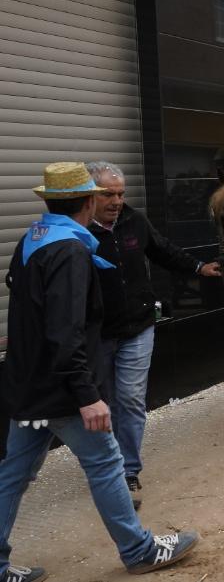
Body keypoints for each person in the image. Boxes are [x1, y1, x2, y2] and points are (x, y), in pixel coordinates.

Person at [0, 163, 199, 582]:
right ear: (89, 201)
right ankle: (140, 550)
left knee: (13, 475)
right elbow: (64, 330)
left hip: (28, 385)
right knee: (107, 463)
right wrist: (88, 395)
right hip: (62, 390)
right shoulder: (70, 251)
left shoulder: (33, 239)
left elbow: (27, 306)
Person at [85, 162, 220, 510]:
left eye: (120, 194)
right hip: (98, 334)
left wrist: (198, 267)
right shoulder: (77, 230)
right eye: (108, 195)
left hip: (138, 327)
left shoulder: (134, 221)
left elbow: (163, 250)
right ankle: (108, 465)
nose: (117, 201)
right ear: (89, 195)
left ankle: (127, 471)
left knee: (130, 399)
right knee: (105, 401)